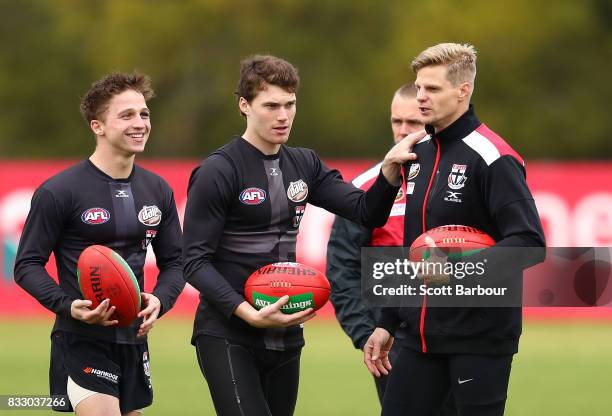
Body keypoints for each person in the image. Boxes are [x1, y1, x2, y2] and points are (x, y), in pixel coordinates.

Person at [182, 54, 425, 416]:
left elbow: (366, 211)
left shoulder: (304, 163)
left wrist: (389, 169)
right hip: (227, 332)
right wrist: (248, 313)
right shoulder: (219, 170)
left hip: (287, 333)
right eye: (271, 105)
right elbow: (194, 263)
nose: (283, 116)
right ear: (244, 105)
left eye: (290, 104)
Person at [364, 43, 546, 416]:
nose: (421, 97)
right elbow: (416, 250)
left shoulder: (494, 157)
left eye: (432, 89)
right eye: (418, 87)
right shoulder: (419, 153)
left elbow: (529, 243)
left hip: (478, 339)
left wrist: (455, 268)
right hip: (418, 338)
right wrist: (387, 321)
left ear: (463, 91)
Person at [14, 73, 185, 415]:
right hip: (81, 340)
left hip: (135, 340)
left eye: (144, 114)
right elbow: (26, 265)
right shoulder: (59, 191)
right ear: (98, 126)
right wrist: (68, 305)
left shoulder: (158, 190)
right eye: (126, 115)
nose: (140, 123)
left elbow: (176, 263)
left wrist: (161, 301)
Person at [326, 83, 425, 402]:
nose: (403, 131)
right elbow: (342, 268)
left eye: (414, 123)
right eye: (397, 122)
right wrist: (365, 334)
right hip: (393, 342)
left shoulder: (460, 181)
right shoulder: (365, 188)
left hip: (454, 335)